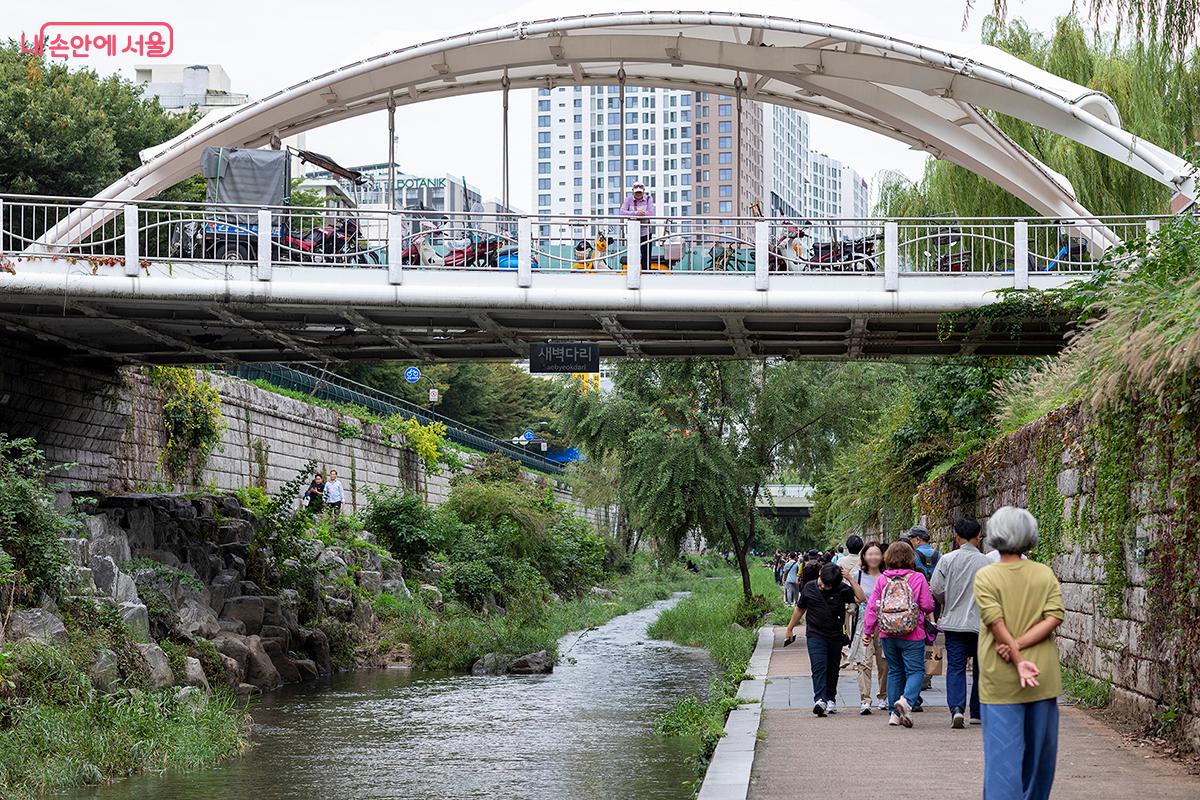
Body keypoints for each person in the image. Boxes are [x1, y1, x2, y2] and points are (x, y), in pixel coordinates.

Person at [975, 506, 1064, 800]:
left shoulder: (986, 576)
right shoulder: (1044, 573)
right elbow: (1054, 617)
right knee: (1040, 759)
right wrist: (1023, 650)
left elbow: (994, 620)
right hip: (1042, 674)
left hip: (999, 675)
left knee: (1002, 761)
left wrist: (1013, 653)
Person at [863, 540, 935, 728]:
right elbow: (927, 605)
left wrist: (868, 631)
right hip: (913, 633)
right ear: (910, 558)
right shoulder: (917, 578)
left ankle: (894, 715)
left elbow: (872, 607)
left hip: (887, 633)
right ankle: (906, 701)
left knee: (894, 671)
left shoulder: (882, 579)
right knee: (916, 670)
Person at [929, 517, 990, 728]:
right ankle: (977, 712)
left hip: (954, 623)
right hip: (981, 624)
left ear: (957, 537)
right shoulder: (987, 562)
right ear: (978, 537)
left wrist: (948, 599)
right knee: (982, 668)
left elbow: (935, 587)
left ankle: (956, 708)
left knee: (955, 667)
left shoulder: (947, 559)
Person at [784, 562, 865, 716]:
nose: (822, 586)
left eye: (827, 586)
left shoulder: (842, 589)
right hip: (815, 634)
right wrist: (789, 628)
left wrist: (850, 579)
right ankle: (820, 700)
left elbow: (860, 599)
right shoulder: (809, 587)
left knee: (832, 668)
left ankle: (830, 699)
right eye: (821, 582)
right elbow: (800, 609)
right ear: (819, 574)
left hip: (834, 636)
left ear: (835, 585)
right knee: (818, 666)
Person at [847, 541, 888, 714]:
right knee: (864, 662)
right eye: (870, 554)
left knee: (884, 662)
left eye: (877, 553)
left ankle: (883, 696)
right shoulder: (856, 576)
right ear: (864, 556)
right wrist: (850, 580)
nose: (873, 557)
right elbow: (857, 599)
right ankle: (865, 699)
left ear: (882, 556)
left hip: (885, 623)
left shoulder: (887, 576)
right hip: (864, 622)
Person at [619, 181, 654, 267]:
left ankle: (646, 273)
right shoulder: (628, 200)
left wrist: (642, 214)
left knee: (646, 256)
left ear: (643, 191)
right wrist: (636, 213)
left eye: (640, 192)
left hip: (645, 232)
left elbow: (650, 213)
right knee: (633, 255)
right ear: (633, 191)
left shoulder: (649, 199)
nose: (638, 194)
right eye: (636, 192)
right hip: (633, 232)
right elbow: (622, 212)